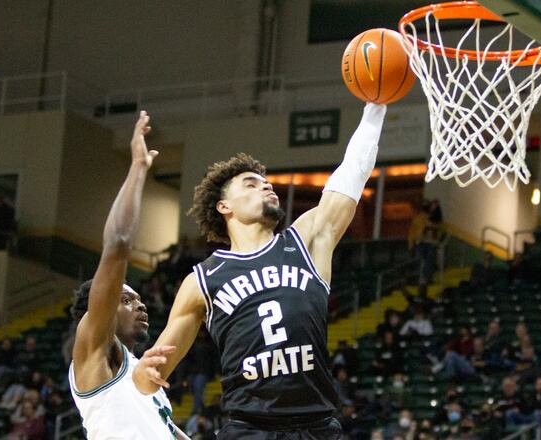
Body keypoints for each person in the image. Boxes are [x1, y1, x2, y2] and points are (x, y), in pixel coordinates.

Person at [133, 104, 388, 439]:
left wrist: (376, 107)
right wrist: (142, 374)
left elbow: (352, 173)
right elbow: (154, 371)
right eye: (251, 184)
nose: (267, 187)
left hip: (317, 426)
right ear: (224, 207)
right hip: (250, 429)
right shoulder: (203, 280)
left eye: (267, 183)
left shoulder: (306, 242)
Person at [67, 112, 186, 439]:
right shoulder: (96, 350)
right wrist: (138, 167)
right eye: (126, 300)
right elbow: (118, 244)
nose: (141, 306)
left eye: (139, 300)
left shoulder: (144, 380)